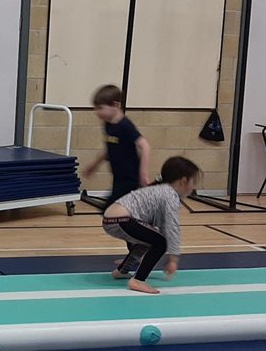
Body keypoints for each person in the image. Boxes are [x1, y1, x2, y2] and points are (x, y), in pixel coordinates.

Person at [102, 156, 201, 295]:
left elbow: (163, 226)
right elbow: (172, 227)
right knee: (160, 242)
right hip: (122, 219)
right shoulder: (170, 195)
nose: (193, 187)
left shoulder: (161, 190)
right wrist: (173, 259)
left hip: (112, 219)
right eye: (193, 182)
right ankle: (138, 280)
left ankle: (122, 271)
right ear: (183, 181)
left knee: (150, 239)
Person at [81, 84, 152, 203]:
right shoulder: (108, 124)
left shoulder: (125, 125)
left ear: (115, 105)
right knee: (117, 208)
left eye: (100, 108)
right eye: (95, 108)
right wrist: (94, 165)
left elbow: (145, 146)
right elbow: (109, 148)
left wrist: (143, 173)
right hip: (118, 176)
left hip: (130, 178)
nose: (96, 112)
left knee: (112, 208)